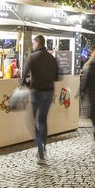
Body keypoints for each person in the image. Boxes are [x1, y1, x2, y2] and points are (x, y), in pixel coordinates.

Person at [21, 35, 59, 163]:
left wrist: (28, 84)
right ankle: (43, 146)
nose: (32, 45)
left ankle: (40, 151)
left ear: (37, 43)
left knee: (31, 120)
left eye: (33, 43)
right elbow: (57, 77)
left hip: (36, 91)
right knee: (43, 120)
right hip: (49, 91)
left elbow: (23, 76)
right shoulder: (51, 58)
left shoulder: (32, 57)